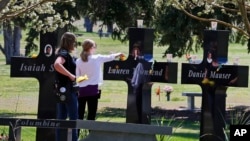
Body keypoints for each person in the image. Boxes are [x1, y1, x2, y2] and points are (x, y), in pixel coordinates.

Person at [76, 39, 122, 135]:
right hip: (93, 90)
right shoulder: (96, 58)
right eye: (94, 47)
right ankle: (91, 135)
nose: (95, 49)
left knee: (79, 115)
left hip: (82, 91)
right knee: (91, 115)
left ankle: (76, 134)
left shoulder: (78, 61)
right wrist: (119, 54)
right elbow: (110, 57)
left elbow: (78, 78)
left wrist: (85, 78)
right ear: (91, 48)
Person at [53, 32, 78, 141]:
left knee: (61, 119)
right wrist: (71, 75)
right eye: (74, 43)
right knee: (73, 120)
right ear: (70, 42)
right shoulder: (63, 53)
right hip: (68, 90)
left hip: (61, 90)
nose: (75, 45)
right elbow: (57, 65)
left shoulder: (61, 52)